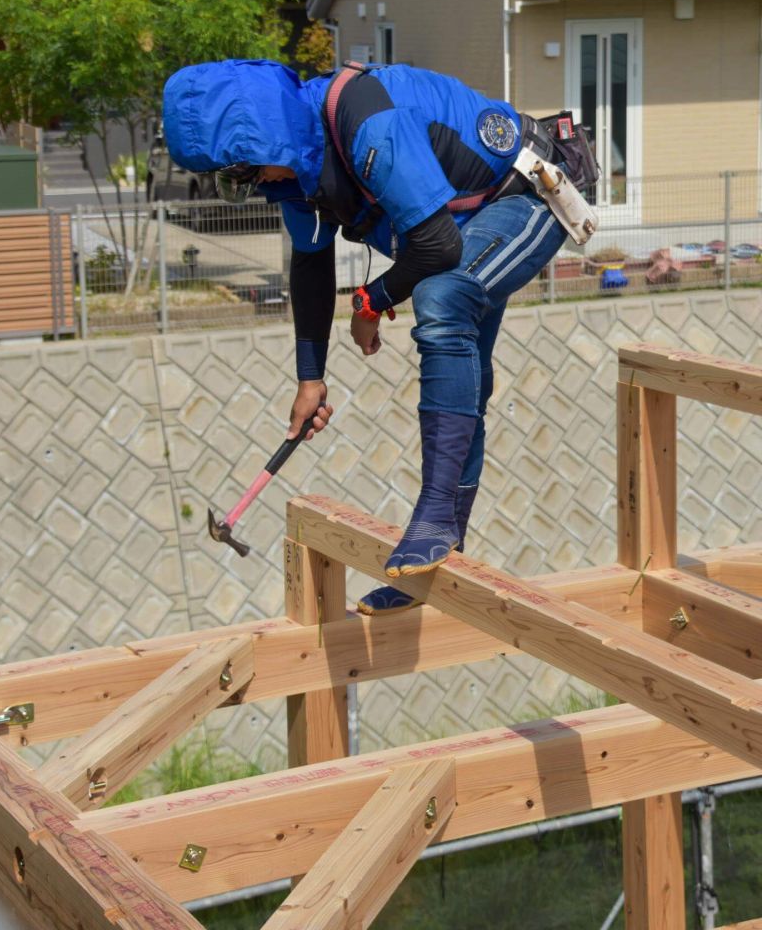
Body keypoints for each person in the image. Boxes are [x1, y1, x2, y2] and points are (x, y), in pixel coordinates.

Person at [162, 59, 591, 616]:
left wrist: (370, 302)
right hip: (467, 222)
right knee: (464, 376)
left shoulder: (367, 125)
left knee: (442, 299)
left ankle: (435, 519)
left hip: (531, 192)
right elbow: (310, 266)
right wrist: (309, 378)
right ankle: (440, 554)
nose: (252, 186)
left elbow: (437, 246)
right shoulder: (299, 166)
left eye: (243, 173)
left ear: (267, 139)